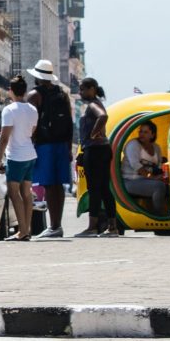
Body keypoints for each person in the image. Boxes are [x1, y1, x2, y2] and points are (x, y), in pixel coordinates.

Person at [26, 59, 74, 239]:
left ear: (37, 77)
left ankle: (54, 226)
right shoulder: (62, 93)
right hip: (62, 144)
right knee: (58, 185)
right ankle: (57, 225)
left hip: (44, 144)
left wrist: (29, 143)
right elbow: (69, 122)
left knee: (48, 184)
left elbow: (31, 123)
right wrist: (69, 148)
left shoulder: (34, 95)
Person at [0, 75, 39, 241]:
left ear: (11, 91)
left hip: (16, 156)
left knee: (14, 193)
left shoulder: (9, 110)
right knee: (27, 192)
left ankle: (22, 230)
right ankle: (27, 229)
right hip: (30, 154)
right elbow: (32, 131)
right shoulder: (32, 109)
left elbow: (4, 137)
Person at [75, 77, 115, 237]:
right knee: (105, 189)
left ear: (92, 89)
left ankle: (92, 227)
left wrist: (94, 132)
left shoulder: (93, 105)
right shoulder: (95, 103)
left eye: (83, 89)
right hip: (102, 149)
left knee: (95, 189)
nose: (80, 92)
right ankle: (112, 227)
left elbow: (103, 116)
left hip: (96, 150)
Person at [123, 119, 170, 216]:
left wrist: (164, 176)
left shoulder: (156, 147)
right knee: (159, 186)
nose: (142, 134)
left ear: (152, 135)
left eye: (145, 132)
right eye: (140, 131)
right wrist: (152, 177)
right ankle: (158, 215)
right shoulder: (133, 145)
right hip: (131, 181)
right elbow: (137, 167)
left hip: (147, 179)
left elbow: (159, 166)